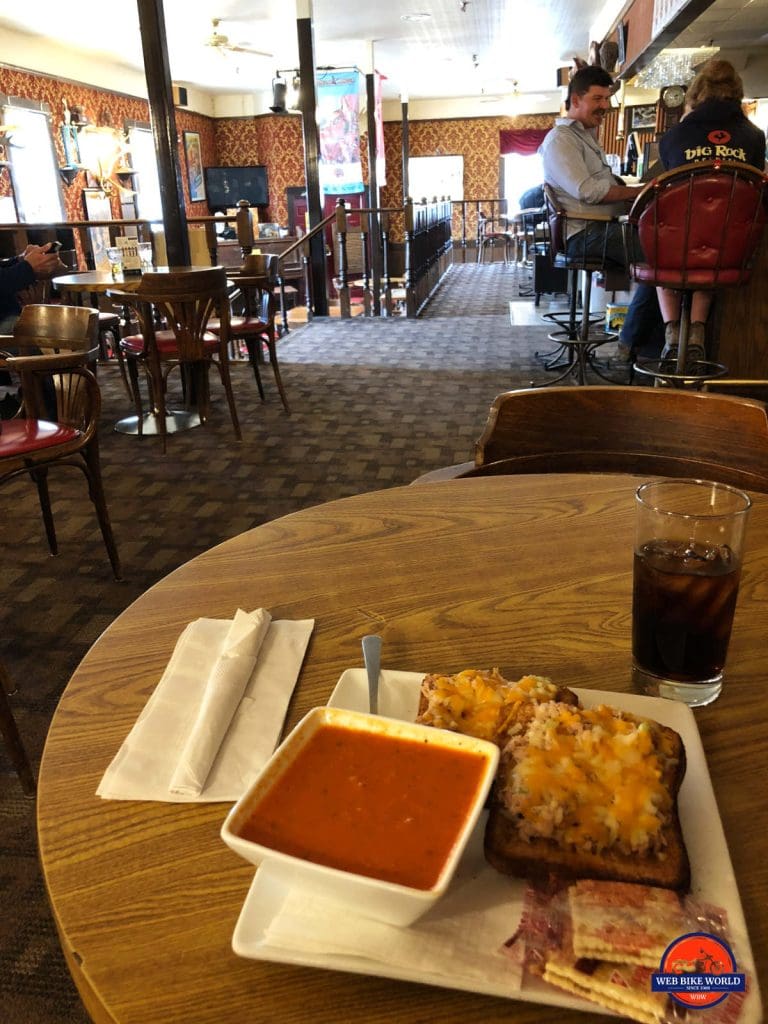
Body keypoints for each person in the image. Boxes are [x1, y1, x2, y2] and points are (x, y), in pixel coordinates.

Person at [539, 66, 662, 360]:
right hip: (584, 235)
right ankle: (638, 348)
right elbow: (588, 191)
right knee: (665, 254)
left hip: (598, 230)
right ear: (576, 99)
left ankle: (642, 347)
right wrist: (640, 190)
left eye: (606, 98)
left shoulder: (584, 136)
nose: (604, 106)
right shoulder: (561, 139)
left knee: (664, 251)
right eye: (598, 98)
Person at [655, 59, 767, 364]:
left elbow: (667, 195)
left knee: (660, 246)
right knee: (713, 246)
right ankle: (698, 331)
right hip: (730, 249)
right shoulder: (755, 138)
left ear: (696, 93)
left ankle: (671, 330)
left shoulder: (673, 137)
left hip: (678, 246)